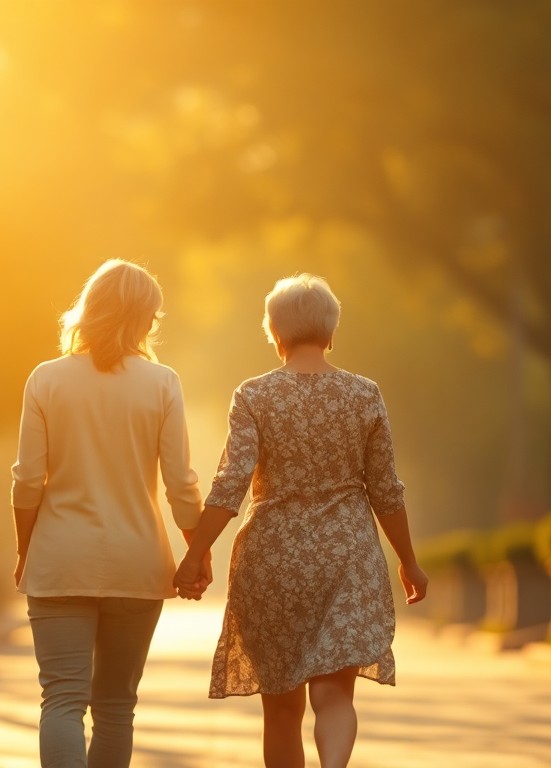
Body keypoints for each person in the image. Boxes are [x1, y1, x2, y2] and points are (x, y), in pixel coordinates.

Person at [174, 273, 428, 768]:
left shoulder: (254, 396)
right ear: (330, 332)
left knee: (283, 711)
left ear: (274, 333)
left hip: (274, 560)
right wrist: (409, 562)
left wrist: (194, 553)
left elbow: (230, 485)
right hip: (346, 556)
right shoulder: (364, 394)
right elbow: (385, 490)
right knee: (335, 696)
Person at [11, 259, 210, 768]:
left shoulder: (46, 380)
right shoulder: (162, 383)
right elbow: (181, 484)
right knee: (117, 708)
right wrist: (197, 547)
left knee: (61, 700)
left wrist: (24, 549)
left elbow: (28, 481)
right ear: (144, 318)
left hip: (60, 562)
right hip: (136, 565)